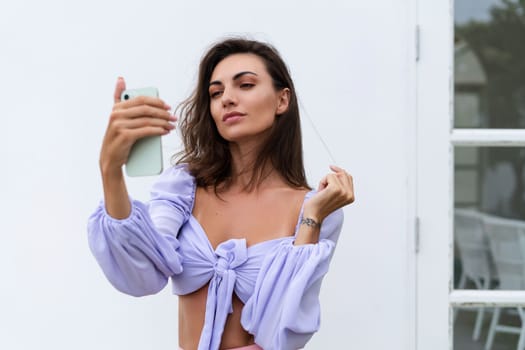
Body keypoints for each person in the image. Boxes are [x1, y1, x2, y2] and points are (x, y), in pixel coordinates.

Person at [88, 38, 355, 350]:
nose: (227, 99)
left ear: (282, 100)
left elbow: (283, 332)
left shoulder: (317, 209)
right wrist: (110, 170)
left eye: (245, 85)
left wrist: (311, 219)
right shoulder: (183, 188)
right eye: (216, 93)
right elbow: (141, 275)